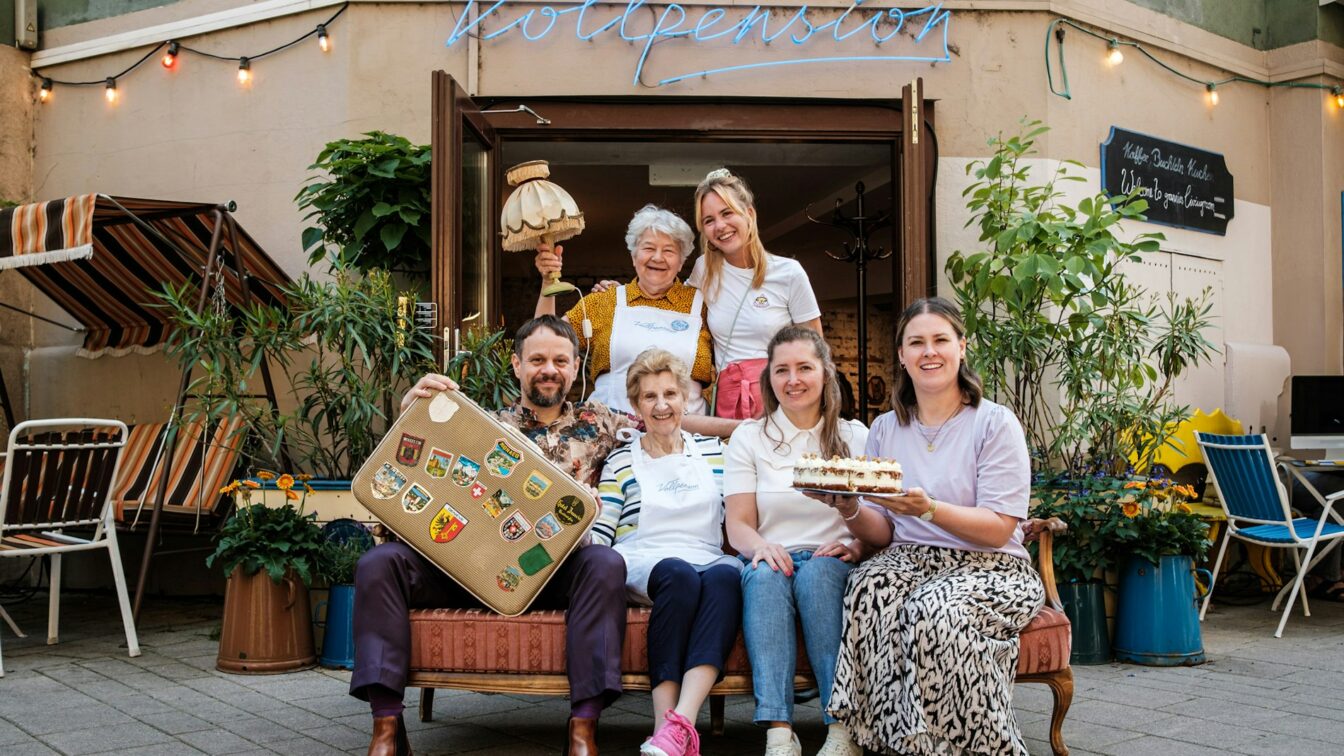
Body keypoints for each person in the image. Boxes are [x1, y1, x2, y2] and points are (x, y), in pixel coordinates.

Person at [351, 315, 633, 756]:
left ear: (576, 367)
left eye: (560, 360)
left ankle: (583, 729)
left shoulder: (603, 424)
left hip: (549, 573)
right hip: (466, 569)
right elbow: (417, 470)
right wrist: (413, 411)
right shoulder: (479, 425)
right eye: (537, 359)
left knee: (605, 563)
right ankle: (386, 727)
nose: (549, 369)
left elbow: (668, 417)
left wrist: (755, 428)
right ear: (517, 366)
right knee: (377, 564)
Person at [823, 297, 1045, 755]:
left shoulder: (994, 423)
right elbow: (882, 529)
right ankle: (887, 740)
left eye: (941, 340)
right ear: (902, 355)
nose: (930, 352)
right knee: (869, 586)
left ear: (961, 348)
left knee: (933, 610)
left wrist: (929, 509)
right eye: (916, 342)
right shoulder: (885, 428)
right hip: (911, 559)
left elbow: (1000, 528)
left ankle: (985, 747)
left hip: (993, 567)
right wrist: (847, 507)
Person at [723, 325, 868, 756]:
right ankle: (779, 732)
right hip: (773, 554)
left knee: (818, 576)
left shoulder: (856, 437)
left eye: (804, 367)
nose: (793, 379)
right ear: (769, 379)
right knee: (764, 576)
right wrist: (759, 547)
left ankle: (841, 727)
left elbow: (879, 520)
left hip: (834, 558)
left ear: (825, 372)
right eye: (781, 370)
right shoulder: (749, 438)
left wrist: (858, 547)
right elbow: (739, 525)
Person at [591, 348, 741, 756]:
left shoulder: (714, 453)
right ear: (636, 405)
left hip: (706, 555)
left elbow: (741, 515)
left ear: (686, 399)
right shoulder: (621, 460)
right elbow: (602, 529)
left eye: (670, 394)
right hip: (645, 560)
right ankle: (662, 721)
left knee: (729, 577)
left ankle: (681, 726)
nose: (661, 405)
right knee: (679, 574)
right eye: (649, 396)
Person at [534, 204, 715, 417]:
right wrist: (548, 281)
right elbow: (543, 341)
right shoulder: (604, 302)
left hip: (687, 438)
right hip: (611, 435)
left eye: (669, 251)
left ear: (681, 261)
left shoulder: (703, 306)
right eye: (648, 248)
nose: (657, 257)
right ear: (633, 256)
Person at [689, 169, 823, 420]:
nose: (720, 226)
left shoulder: (789, 273)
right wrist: (616, 290)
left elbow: (815, 350)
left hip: (781, 399)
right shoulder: (704, 270)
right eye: (709, 220)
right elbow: (668, 304)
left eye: (727, 213)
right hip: (729, 406)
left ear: (749, 213)